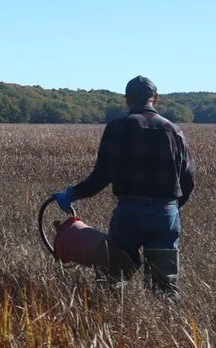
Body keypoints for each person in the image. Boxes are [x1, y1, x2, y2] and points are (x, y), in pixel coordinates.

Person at [51, 76, 195, 300]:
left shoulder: (118, 127)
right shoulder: (174, 131)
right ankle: (167, 318)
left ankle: (111, 314)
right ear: (155, 98)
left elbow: (102, 176)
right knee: (164, 288)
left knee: (113, 278)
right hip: (166, 214)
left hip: (130, 213)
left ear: (128, 99)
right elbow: (188, 180)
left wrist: (72, 194)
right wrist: (170, 208)